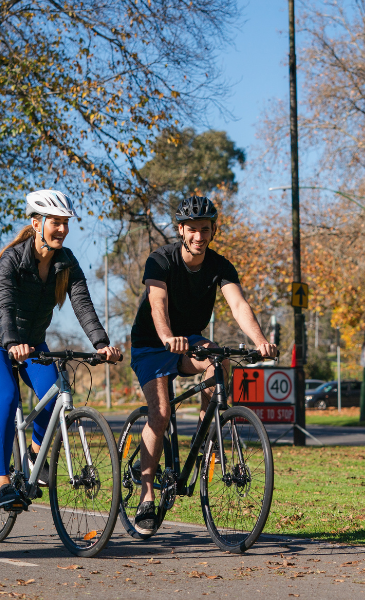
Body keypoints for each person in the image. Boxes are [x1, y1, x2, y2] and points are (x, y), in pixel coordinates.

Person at [128, 196, 278, 534]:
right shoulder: (160, 260)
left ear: (213, 231)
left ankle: (207, 432)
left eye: (205, 229)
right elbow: (157, 303)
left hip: (191, 339)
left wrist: (259, 340)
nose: (199, 236)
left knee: (219, 360)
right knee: (161, 411)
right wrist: (167, 336)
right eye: (192, 229)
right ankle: (147, 497)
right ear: (181, 230)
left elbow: (238, 305)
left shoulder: (219, 265)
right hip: (153, 344)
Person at [0, 190, 121, 512]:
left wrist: (101, 343)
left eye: (65, 224)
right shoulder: (12, 259)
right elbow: (5, 307)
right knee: (8, 398)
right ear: (36, 223)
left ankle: (33, 456)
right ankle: (1, 484)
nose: (62, 230)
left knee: (54, 395)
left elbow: (82, 303)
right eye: (56, 222)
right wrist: (13, 343)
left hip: (35, 345)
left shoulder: (66, 262)